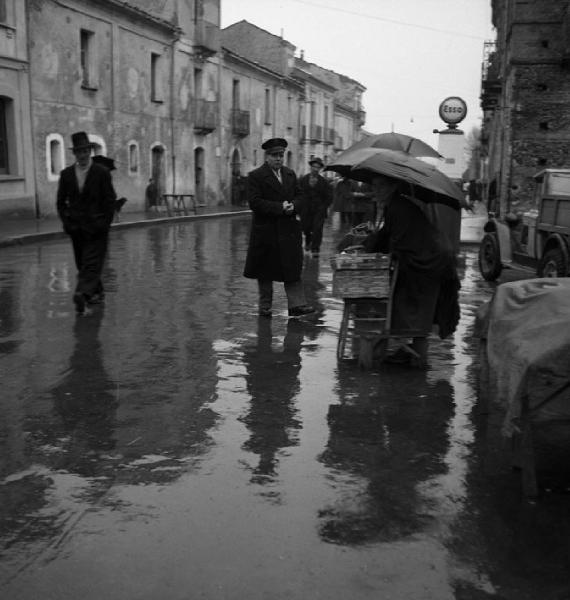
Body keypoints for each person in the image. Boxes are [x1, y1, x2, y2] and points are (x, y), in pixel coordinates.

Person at [364, 175, 460, 368]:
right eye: (374, 186)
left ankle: (415, 354)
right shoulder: (394, 205)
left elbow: (399, 241)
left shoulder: (398, 207)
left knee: (416, 305)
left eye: (381, 186)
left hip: (430, 260)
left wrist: (376, 247)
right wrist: (368, 244)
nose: (376, 190)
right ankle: (412, 352)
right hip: (428, 258)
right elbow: (387, 235)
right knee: (414, 304)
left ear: (392, 188)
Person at [243, 138, 315, 319]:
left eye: (281, 156)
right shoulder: (256, 176)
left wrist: (294, 206)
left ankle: (297, 305)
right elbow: (255, 202)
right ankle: (265, 306)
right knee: (265, 271)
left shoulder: (290, 174)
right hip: (266, 231)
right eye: (275, 156)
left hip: (288, 230)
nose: (278, 159)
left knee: (292, 268)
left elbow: (301, 196)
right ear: (267, 157)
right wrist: (279, 207)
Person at [56, 131, 117, 314]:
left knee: (92, 261)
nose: (82, 155)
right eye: (78, 152)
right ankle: (96, 292)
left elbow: (110, 200)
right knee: (82, 262)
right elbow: (60, 202)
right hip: (77, 228)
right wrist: (67, 223)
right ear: (74, 154)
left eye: (85, 151)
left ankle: (82, 293)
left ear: (89, 151)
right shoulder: (66, 174)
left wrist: (105, 224)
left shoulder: (101, 172)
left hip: (97, 227)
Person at [298, 157, 332, 255]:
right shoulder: (303, 179)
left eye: (318, 167)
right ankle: (308, 240)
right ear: (311, 167)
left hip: (319, 209)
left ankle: (315, 247)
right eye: (314, 167)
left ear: (320, 169)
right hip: (305, 209)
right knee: (306, 228)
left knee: (317, 228)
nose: (315, 169)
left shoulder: (324, 182)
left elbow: (329, 196)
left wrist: (324, 206)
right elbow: (298, 193)